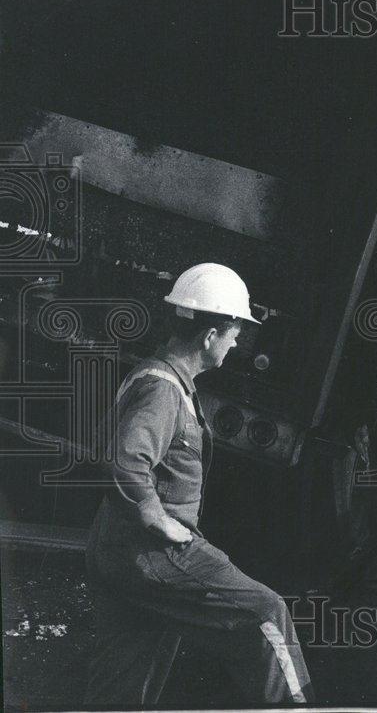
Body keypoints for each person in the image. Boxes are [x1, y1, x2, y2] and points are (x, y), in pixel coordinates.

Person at [84, 263, 312, 706]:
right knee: (268, 614)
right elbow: (126, 461)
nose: (236, 343)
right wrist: (160, 522)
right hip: (151, 553)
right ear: (209, 336)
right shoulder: (164, 390)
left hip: (115, 548)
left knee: (124, 683)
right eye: (233, 333)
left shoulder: (155, 376)